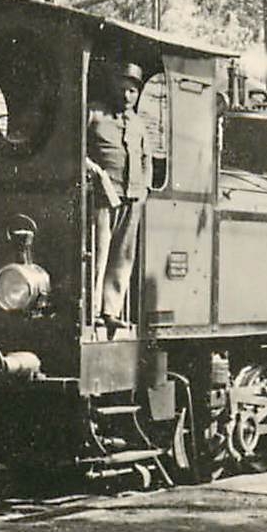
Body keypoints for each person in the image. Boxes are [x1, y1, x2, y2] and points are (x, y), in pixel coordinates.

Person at [86, 58, 150, 332]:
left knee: (123, 257)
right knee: (97, 255)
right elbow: (75, 149)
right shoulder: (94, 114)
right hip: (101, 197)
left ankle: (110, 310)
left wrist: (144, 189)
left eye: (132, 91)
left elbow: (146, 158)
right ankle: (91, 311)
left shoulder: (138, 123)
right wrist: (97, 173)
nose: (127, 95)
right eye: (122, 89)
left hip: (131, 198)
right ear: (112, 87)